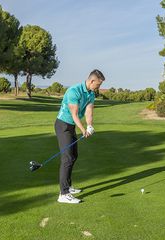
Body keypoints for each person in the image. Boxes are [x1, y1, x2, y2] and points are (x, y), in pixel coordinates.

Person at [54, 69, 105, 204]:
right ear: (91, 81)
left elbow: (89, 111)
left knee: (74, 156)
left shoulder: (91, 94)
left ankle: (68, 187)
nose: (98, 87)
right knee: (67, 158)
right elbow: (74, 115)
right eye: (98, 85)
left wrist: (89, 125)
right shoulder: (74, 91)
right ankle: (63, 194)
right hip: (63, 125)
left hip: (71, 126)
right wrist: (83, 130)